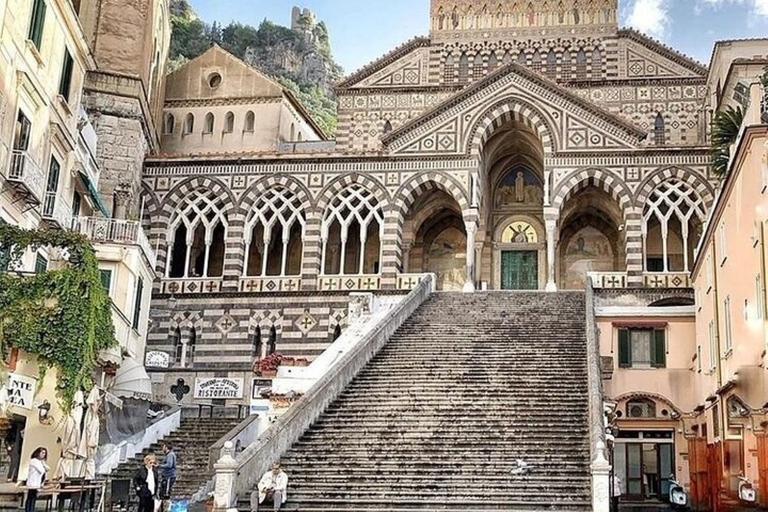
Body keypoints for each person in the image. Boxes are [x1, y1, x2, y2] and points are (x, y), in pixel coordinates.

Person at [24, 447, 49, 512]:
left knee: (33, 497)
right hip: (33, 483)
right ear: (38, 453)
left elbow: (48, 469)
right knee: (31, 498)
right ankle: (29, 510)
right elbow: (42, 470)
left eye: (44, 453)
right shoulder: (34, 461)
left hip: (37, 483)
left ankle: (31, 509)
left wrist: (44, 464)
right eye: (42, 453)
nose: (43, 455)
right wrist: (44, 465)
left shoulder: (40, 462)